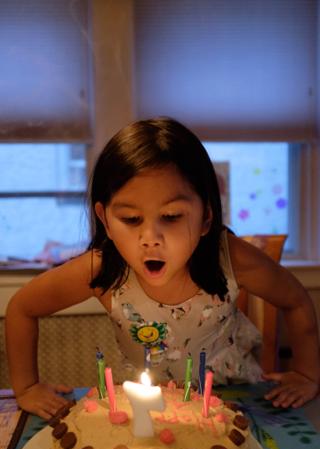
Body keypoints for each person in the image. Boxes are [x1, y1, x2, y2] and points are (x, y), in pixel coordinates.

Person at [5, 117, 320, 419]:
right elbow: (22, 307)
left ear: (206, 217)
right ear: (105, 220)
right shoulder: (102, 270)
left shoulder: (230, 257)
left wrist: (307, 373)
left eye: (170, 217)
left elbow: (295, 300)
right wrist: (28, 386)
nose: (150, 239)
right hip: (150, 405)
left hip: (232, 397)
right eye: (131, 219)